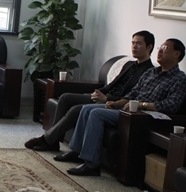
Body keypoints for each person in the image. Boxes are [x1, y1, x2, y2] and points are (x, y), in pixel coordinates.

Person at [55, 38, 186, 177]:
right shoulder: (151, 72)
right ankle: (77, 152)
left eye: (165, 48)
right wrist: (117, 103)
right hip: (128, 108)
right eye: (160, 47)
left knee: (96, 113)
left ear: (177, 54)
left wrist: (142, 105)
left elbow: (171, 105)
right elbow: (133, 93)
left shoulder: (180, 79)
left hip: (143, 116)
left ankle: (91, 165)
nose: (160, 51)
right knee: (85, 109)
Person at [25, 30, 155, 152]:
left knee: (76, 109)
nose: (134, 46)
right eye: (133, 43)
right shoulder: (129, 64)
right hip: (105, 96)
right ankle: (53, 142)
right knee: (65, 97)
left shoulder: (150, 72)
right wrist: (98, 91)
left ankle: (47, 139)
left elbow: (132, 96)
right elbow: (112, 84)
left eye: (138, 43)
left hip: (114, 102)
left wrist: (107, 99)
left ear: (149, 47)